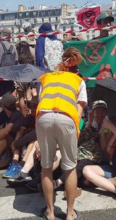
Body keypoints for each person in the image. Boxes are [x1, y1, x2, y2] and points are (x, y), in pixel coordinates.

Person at [36, 47, 87, 220]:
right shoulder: (78, 80)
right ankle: (70, 213)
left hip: (43, 117)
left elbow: (41, 101)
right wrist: (75, 132)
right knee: (70, 167)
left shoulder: (47, 78)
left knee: (46, 167)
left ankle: (50, 212)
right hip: (66, 118)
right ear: (76, 67)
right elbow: (79, 111)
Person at [0, 28, 18, 112]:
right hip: (9, 76)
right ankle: (6, 118)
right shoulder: (13, 47)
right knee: (6, 98)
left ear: (1, 35)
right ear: (9, 36)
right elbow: (16, 62)